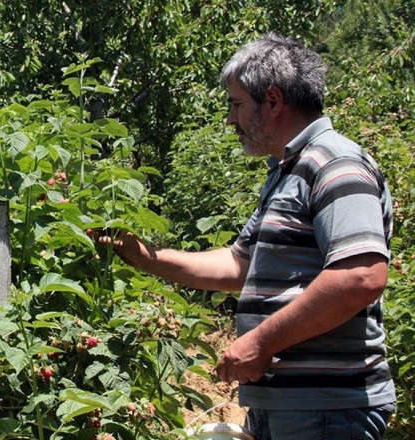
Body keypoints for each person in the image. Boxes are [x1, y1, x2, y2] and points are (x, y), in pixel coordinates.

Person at [98, 33, 395, 439]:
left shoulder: (335, 165)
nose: (230, 119)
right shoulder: (287, 172)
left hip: (326, 410)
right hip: (289, 405)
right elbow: (241, 265)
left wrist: (261, 343)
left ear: (272, 101)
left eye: (236, 104)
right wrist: (147, 257)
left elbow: (359, 277)